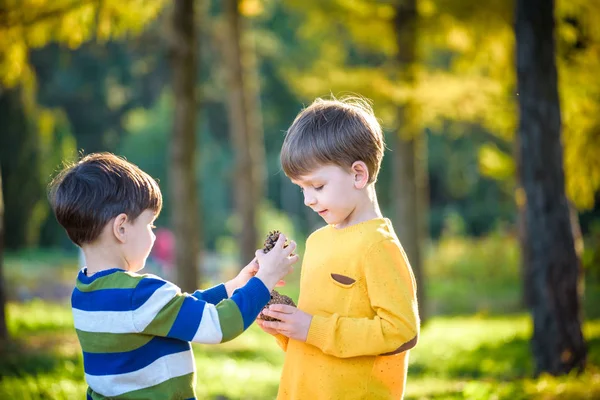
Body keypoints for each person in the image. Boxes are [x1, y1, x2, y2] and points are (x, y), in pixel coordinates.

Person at [48, 152, 298, 400]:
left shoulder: (83, 293)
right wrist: (264, 279)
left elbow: (175, 311)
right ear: (121, 228)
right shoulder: (139, 293)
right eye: (150, 225)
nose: (154, 235)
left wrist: (234, 286)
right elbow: (220, 325)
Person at [257, 97, 420, 399]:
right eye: (301, 188)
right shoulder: (318, 241)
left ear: (358, 174)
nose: (308, 199)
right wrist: (286, 325)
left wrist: (311, 328)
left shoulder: (378, 245)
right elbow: (316, 328)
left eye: (317, 186)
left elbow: (401, 331)